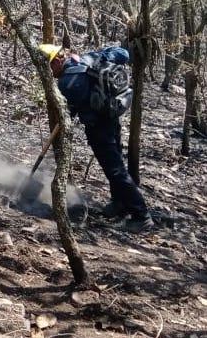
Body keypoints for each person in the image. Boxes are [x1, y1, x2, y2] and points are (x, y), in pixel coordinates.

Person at [39, 43, 154, 233]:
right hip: (112, 119)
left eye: (50, 66)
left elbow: (70, 111)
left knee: (115, 170)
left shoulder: (66, 82)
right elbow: (123, 54)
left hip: (99, 127)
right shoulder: (88, 58)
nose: (50, 71)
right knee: (115, 167)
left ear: (59, 60)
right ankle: (119, 203)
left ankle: (141, 216)